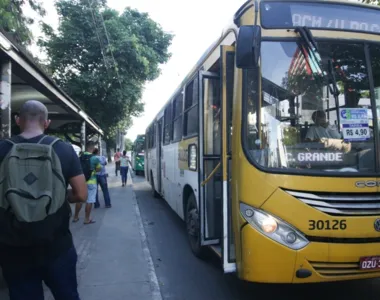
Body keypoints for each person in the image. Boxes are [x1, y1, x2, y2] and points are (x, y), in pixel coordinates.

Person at [0, 100, 87, 300]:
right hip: (56, 245)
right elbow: (81, 194)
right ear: (46, 123)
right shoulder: (64, 150)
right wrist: (56, 198)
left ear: (17, 120)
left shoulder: (2, 149)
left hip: (13, 248)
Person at [73, 141, 101, 224]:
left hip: (81, 181)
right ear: (93, 148)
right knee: (90, 200)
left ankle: (75, 217)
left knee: (80, 199)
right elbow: (99, 169)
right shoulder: (95, 158)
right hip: (91, 181)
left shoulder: (80, 156)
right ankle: (86, 219)